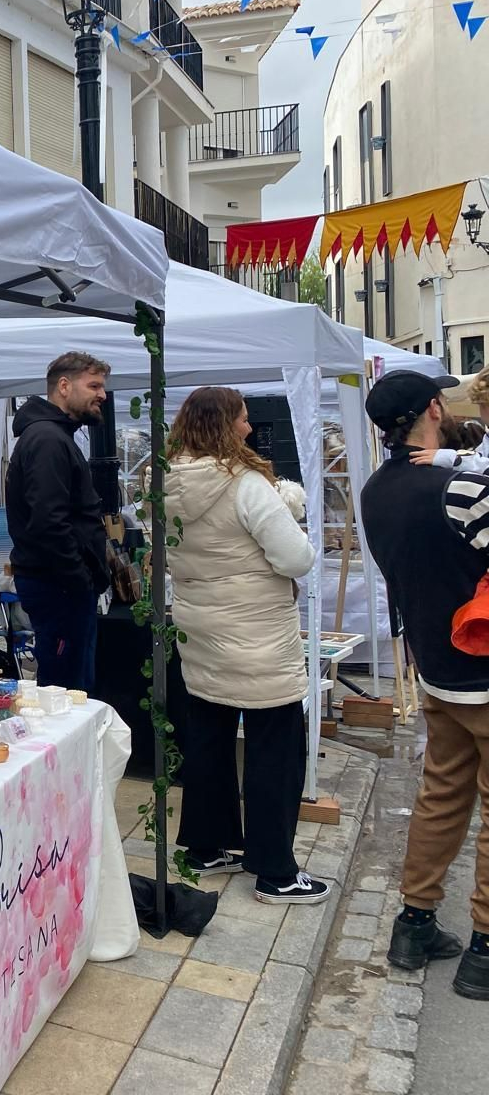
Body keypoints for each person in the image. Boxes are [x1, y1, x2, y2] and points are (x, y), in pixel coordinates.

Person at [162, 388, 328, 903]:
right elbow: (296, 559)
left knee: (209, 737)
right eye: (243, 420)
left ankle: (204, 847)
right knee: (274, 748)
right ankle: (275, 870)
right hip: (256, 634)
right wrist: (290, 512)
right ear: (224, 425)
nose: (249, 429)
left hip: (203, 630)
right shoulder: (248, 485)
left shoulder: (165, 483)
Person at [362, 370, 489, 1000]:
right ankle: (485, 948)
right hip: (483, 664)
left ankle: (415, 921)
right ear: (435, 409)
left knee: (442, 794)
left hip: (436, 667)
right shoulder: (461, 485)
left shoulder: (374, 491)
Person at [6, 351, 112, 689]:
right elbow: (49, 522)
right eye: (94, 385)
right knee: (66, 693)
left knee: (72, 687)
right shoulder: (48, 440)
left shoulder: (56, 436)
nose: (102, 395)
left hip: (61, 585)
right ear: (63, 386)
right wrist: (78, 578)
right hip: (58, 586)